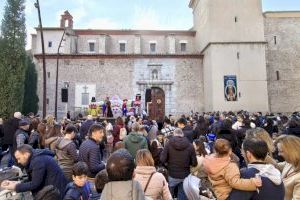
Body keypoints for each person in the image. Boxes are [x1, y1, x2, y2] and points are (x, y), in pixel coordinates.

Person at [1, 144, 68, 199]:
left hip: (55, 190)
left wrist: (16, 187)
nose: (18, 161)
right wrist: (17, 183)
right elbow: (34, 178)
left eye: (19, 158)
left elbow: (35, 183)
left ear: (26, 154)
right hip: (53, 186)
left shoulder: (38, 161)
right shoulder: (35, 158)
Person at [160, 128, 198, 200]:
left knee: (168, 195)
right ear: (182, 135)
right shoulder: (190, 146)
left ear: (174, 134)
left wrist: (167, 165)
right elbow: (194, 163)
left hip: (172, 174)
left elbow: (162, 159)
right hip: (185, 175)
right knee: (182, 196)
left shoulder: (168, 144)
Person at [276, 135, 300, 200]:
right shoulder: (290, 162)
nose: (279, 154)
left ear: (292, 151)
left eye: (281, 151)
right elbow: (276, 165)